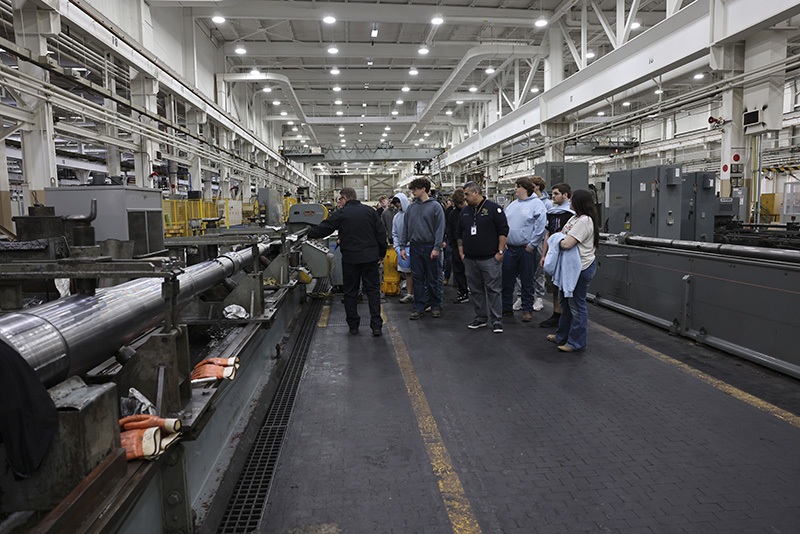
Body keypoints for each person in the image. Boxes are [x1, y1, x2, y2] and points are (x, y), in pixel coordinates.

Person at [308, 188, 387, 336]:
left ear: (344, 198)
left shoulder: (342, 213)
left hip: (351, 259)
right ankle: (376, 326)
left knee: (350, 292)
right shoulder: (370, 212)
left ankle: (353, 326)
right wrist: (381, 253)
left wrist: (309, 233)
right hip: (370, 258)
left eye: (339, 200)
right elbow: (381, 234)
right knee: (373, 291)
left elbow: (325, 228)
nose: (339, 203)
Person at [545, 189, 598, 352]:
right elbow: (562, 235)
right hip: (569, 268)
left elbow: (567, 243)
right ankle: (562, 336)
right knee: (565, 303)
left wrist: (556, 240)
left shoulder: (584, 221)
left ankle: (577, 342)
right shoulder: (575, 218)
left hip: (580, 268)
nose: (570, 202)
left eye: (573, 199)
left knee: (576, 305)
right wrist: (559, 238)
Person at [457, 181, 508, 333]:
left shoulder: (493, 209)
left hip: (489, 258)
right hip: (470, 259)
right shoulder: (465, 212)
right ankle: (480, 318)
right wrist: (461, 252)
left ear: (476, 193)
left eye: (467, 194)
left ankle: (497, 320)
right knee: (476, 290)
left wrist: (499, 252)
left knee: (493, 289)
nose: (465, 197)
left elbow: (503, 230)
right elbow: (459, 233)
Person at [501, 177, 547, 322]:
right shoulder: (512, 205)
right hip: (510, 249)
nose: (515, 189)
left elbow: (540, 227)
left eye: (518, 186)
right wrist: (505, 241)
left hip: (525, 250)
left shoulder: (537, 204)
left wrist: (532, 245)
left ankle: (527, 310)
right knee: (506, 281)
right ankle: (506, 307)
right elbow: (505, 224)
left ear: (526, 189)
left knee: (527, 281)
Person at [400, 177, 446, 320]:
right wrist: (402, 246)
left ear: (424, 189)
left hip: (430, 247)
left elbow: (440, 229)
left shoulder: (435, 207)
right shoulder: (412, 208)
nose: (412, 191)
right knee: (417, 279)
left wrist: (437, 247)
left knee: (433, 279)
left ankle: (435, 305)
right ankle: (419, 307)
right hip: (415, 248)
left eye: (415, 189)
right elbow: (405, 228)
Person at [539, 183, 574, 328]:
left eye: (556, 194)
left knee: (566, 286)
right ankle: (556, 314)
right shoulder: (553, 212)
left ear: (565, 195)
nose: (552, 196)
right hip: (553, 254)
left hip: (567, 254)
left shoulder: (572, 214)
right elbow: (548, 234)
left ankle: (567, 315)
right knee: (554, 285)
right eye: (552, 194)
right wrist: (544, 255)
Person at [530, 175, 552, 311]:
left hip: (541, 241)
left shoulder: (547, 204)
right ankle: (522, 297)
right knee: (523, 271)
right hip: (528, 240)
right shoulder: (527, 202)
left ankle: (538, 298)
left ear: (537, 187)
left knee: (539, 271)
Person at [446, 188, 469, 303]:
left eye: (462, 203)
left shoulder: (473, 211)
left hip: (472, 247)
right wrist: (453, 246)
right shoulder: (453, 214)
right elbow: (450, 231)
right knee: (459, 270)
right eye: (459, 204)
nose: (461, 205)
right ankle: (463, 292)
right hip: (456, 246)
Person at [391, 195, 414, 304]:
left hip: (414, 247)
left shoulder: (412, 215)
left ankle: (420, 295)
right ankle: (410, 294)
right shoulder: (396, 217)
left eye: (399, 202)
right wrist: (397, 247)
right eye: (396, 202)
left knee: (419, 272)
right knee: (407, 273)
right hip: (402, 249)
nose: (398, 204)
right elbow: (395, 233)